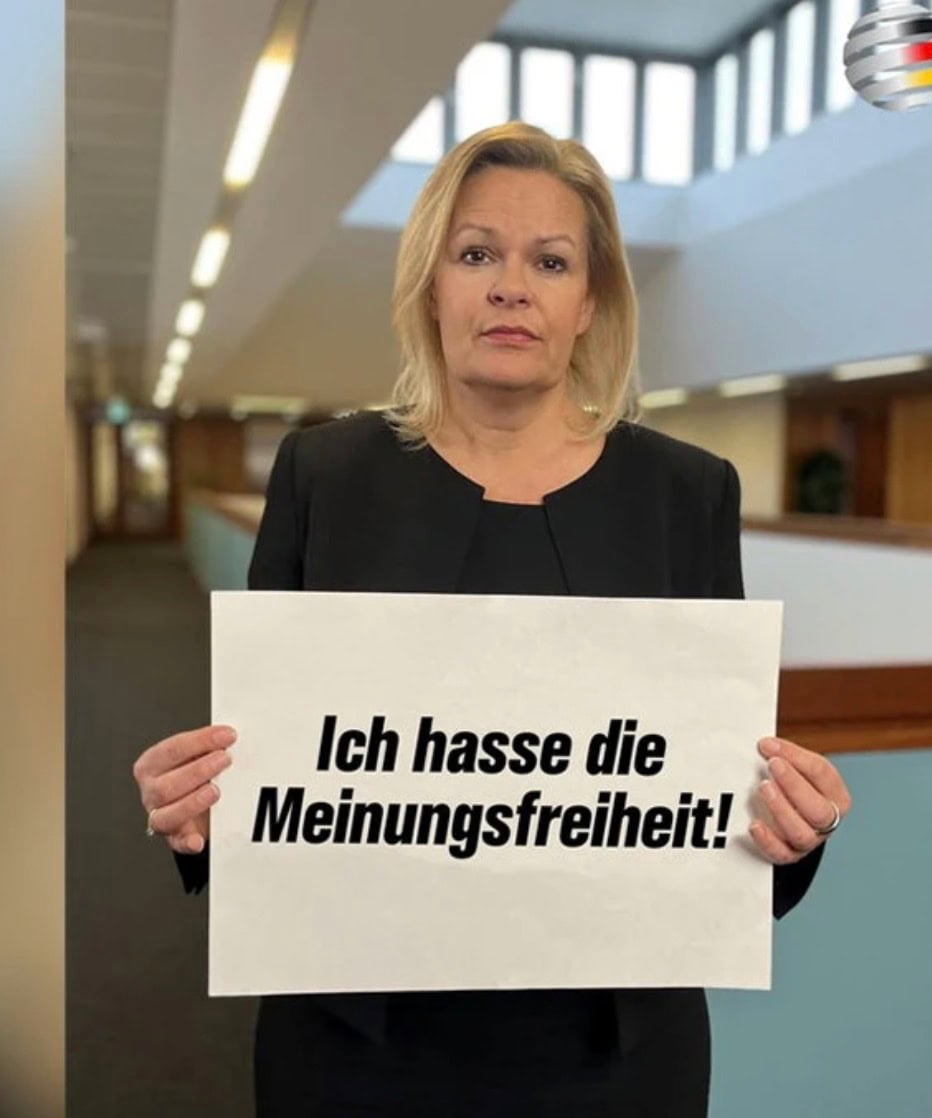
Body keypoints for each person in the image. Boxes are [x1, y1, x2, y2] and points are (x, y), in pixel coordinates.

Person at [132, 121, 853, 1117]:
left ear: (588, 299)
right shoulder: (326, 479)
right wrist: (197, 816)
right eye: (477, 254)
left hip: (614, 1054)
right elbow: (267, 784)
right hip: (357, 1045)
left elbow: (717, 801)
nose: (511, 285)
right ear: (432, 284)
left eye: (550, 261)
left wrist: (791, 829)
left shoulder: (686, 495)